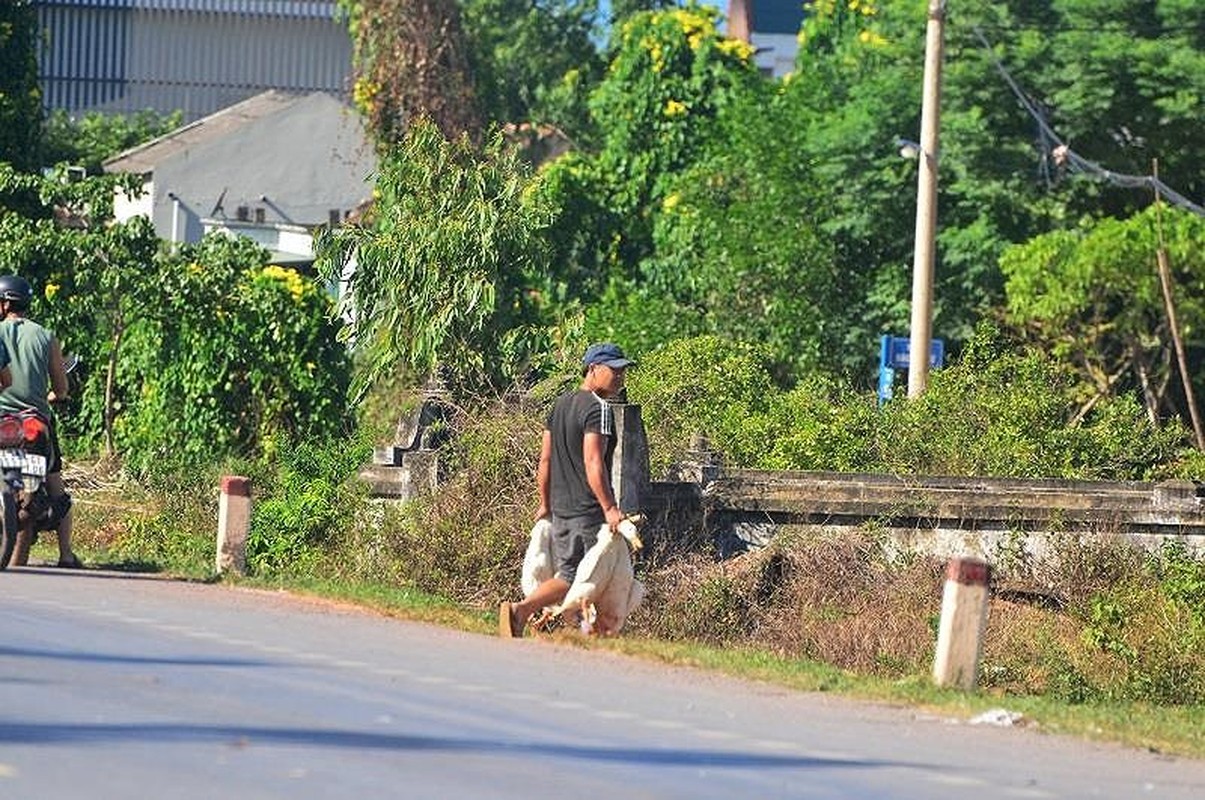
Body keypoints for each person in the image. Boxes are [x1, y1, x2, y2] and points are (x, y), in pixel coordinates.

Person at [499, 342, 635, 637]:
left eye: (623, 372)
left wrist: (545, 503)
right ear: (593, 369)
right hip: (587, 509)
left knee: (577, 575)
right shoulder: (599, 410)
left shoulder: (559, 405)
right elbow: (592, 461)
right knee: (581, 575)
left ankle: (579, 632)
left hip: (561, 507)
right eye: (614, 371)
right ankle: (520, 611)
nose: (620, 377)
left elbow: (545, 460)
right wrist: (610, 508)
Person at [0, 274, 81, 568]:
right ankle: (66, 554)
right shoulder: (46, 337)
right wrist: (51, 396)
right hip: (36, 422)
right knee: (56, 485)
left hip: (3, 421)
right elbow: (61, 389)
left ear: (5, 304)